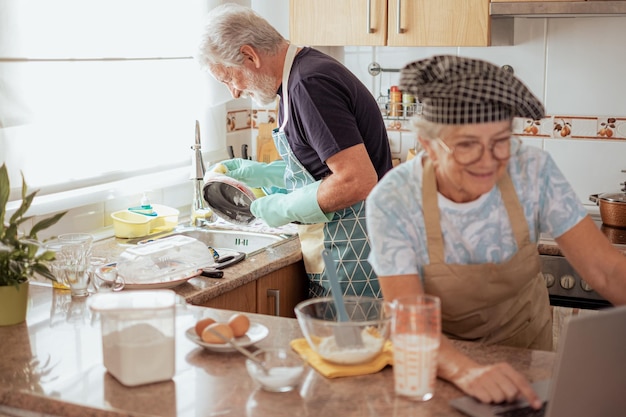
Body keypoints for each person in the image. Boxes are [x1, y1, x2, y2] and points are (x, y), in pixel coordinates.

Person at [365, 55, 626, 408]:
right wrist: (466, 371)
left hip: (529, 358)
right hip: (437, 362)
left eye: (501, 141)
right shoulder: (393, 199)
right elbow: (409, 317)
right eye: (467, 144)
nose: (488, 160)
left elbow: (607, 269)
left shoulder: (533, 171)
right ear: (427, 144)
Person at [196, 3, 393, 298]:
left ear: (249, 55)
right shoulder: (297, 78)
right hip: (343, 250)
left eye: (228, 79)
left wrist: (284, 208)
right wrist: (265, 174)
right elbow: (322, 167)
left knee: (352, 344)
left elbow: (357, 179)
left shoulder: (308, 85)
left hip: (354, 257)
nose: (233, 92)